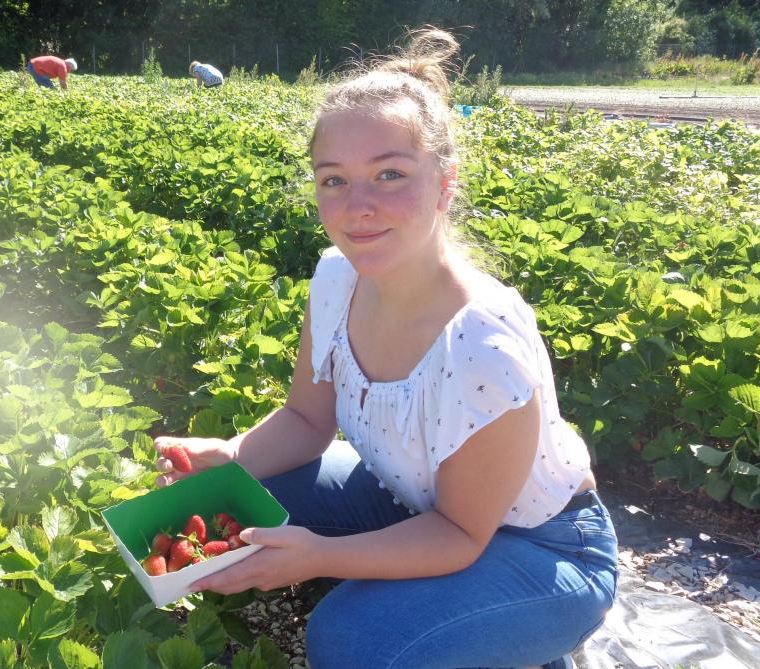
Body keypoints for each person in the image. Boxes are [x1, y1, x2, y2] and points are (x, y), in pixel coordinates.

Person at [154, 28, 617, 669]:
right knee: (225, 501)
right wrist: (229, 457)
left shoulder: (481, 346)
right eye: (333, 180)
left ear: (445, 183)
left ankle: (524, 634)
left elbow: (459, 533)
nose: (358, 207)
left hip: (539, 545)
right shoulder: (338, 278)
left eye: (390, 174)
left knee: (352, 641)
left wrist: (318, 554)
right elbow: (307, 420)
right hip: (407, 496)